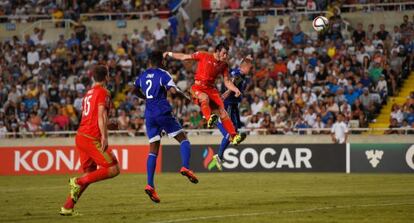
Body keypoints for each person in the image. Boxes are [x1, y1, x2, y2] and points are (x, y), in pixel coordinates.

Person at [134, 51, 198, 203]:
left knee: (153, 149)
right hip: (162, 111)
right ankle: (185, 166)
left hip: (149, 115)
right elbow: (174, 90)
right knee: (183, 139)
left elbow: (134, 89)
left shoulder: (142, 75)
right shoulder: (163, 73)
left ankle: (150, 185)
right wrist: (187, 97)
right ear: (159, 62)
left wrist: (146, 98)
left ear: (149, 62)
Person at [60, 65, 120, 216]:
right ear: (106, 77)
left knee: (90, 172)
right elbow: (100, 115)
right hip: (92, 138)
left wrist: (108, 125)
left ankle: (67, 207)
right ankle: (77, 181)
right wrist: (105, 136)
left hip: (81, 136)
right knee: (113, 169)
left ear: (93, 77)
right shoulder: (104, 92)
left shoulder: (88, 94)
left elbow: (92, 117)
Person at [164, 42, 246, 146]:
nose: (226, 56)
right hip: (197, 87)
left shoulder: (224, 65)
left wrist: (235, 89)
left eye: (227, 54)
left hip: (211, 90)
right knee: (204, 98)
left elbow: (227, 81)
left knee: (223, 112)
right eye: (224, 53)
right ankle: (208, 118)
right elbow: (184, 57)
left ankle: (234, 136)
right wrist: (169, 53)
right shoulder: (203, 55)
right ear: (217, 51)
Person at [214, 56, 253, 171]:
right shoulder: (238, 73)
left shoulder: (243, 75)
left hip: (234, 104)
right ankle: (219, 156)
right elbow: (232, 81)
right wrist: (228, 92)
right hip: (229, 103)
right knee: (231, 131)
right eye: (249, 67)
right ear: (244, 67)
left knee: (234, 130)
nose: (250, 69)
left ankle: (217, 123)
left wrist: (247, 58)